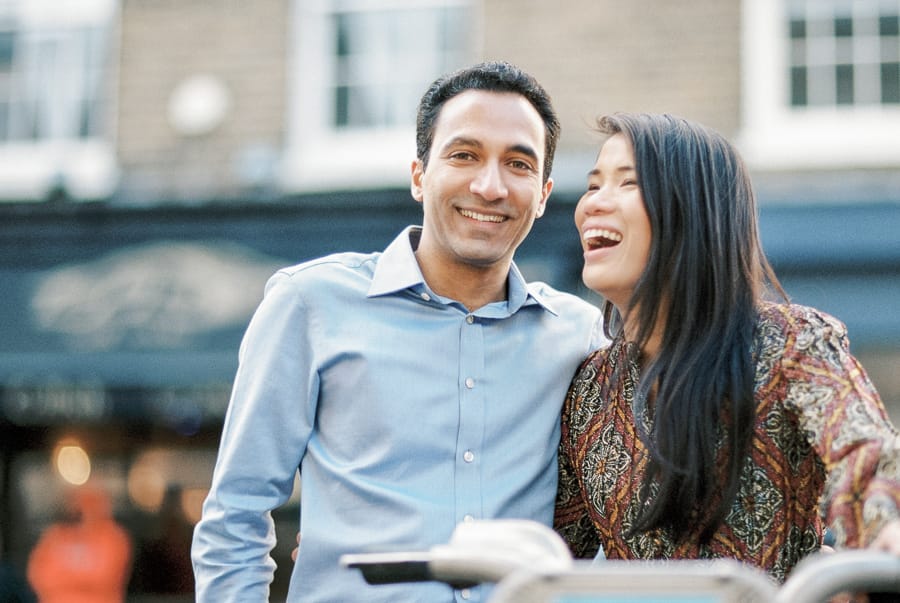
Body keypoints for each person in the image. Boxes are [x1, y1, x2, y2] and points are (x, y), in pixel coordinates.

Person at [191, 61, 606, 602]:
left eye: (518, 164)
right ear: (419, 175)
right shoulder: (310, 304)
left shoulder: (577, 334)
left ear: (545, 193)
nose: (490, 185)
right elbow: (235, 517)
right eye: (464, 155)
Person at [554, 112, 900, 584]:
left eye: (627, 183)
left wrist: (888, 526)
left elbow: (866, 452)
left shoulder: (789, 343)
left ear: (692, 210)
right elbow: (554, 557)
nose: (593, 204)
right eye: (593, 186)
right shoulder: (588, 390)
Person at [26, 483, 132, 603]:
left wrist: (64, 578)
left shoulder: (113, 537)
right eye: (75, 503)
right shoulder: (55, 536)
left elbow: (104, 578)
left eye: (87, 504)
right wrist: (79, 579)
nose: (79, 509)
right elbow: (38, 577)